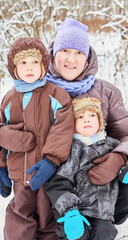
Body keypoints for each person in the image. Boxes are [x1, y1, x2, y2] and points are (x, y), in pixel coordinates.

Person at [45, 18, 128, 226]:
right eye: (65, 50)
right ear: (53, 54)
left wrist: (119, 157)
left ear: (88, 58)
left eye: (78, 53)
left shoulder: (106, 92)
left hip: (94, 179)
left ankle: (102, 221)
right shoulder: (37, 92)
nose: (71, 59)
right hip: (53, 180)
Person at [0, 37, 74, 240]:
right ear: (14, 68)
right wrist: (1, 165)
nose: (29, 67)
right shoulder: (8, 98)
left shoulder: (56, 95)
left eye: (35, 62)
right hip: (18, 171)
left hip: (46, 171)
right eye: (23, 63)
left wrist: (51, 160)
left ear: (44, 65)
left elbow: (63, 128)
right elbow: (1, 132)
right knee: (19, 213)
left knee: (46, 214)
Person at [46, 97, 124, 240]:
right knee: (77, 235)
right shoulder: (74, 149)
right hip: (75, 211)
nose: (87, 120)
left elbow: (123, 161)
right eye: (80, 117)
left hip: (102, 212)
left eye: (92, 115)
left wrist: (125, 170)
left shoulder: (113, 146)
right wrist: (70, 211)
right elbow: (59, 183)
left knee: (105, 232)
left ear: (100, 120)